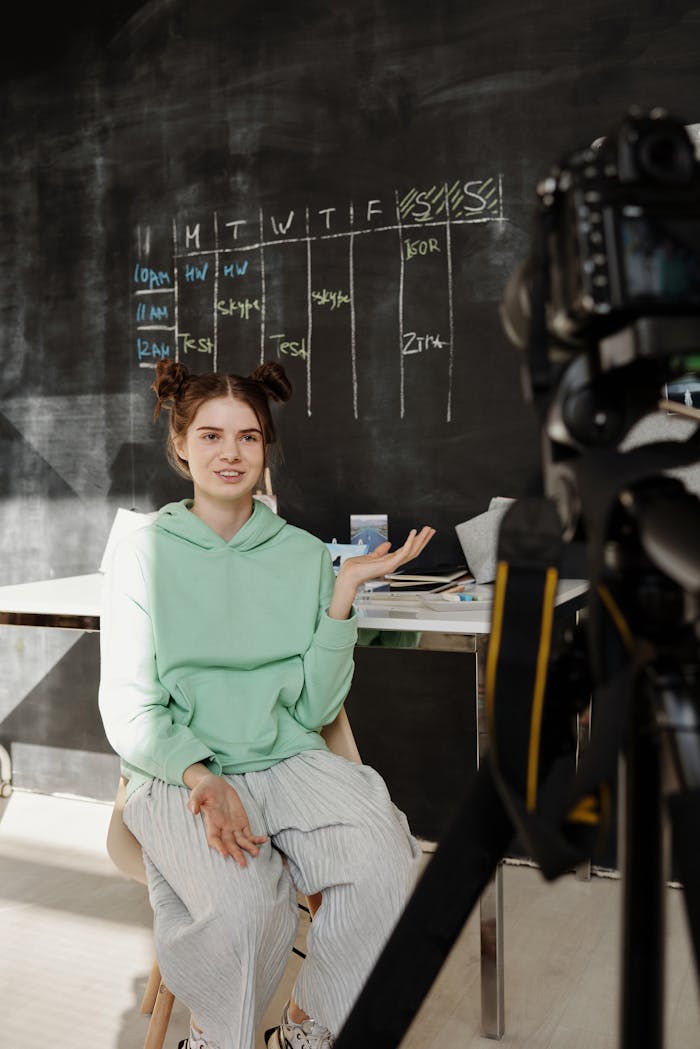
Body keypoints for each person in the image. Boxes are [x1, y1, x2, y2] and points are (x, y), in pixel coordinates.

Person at [98, 359, 435, 1049]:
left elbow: (313, 706)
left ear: (265, 447)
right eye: (212, 435)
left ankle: (309, 1028)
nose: (231, 452)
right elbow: (131, 707)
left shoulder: (305, 555)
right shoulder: (141, 553)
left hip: (287, 757)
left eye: (248, 436)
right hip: (181, 768)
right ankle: (216, 1036)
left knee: (384, 858)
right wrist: (202, 776)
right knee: (247, 907)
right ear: (181, 443)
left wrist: (343, 595)